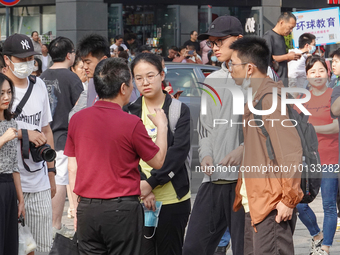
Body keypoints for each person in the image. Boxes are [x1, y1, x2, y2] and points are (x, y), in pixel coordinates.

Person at [65, 57, 168, 255]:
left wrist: (75, 207)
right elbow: (158, 161)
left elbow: (72, 168)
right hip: (122, 210)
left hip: (87, 208)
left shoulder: (78, 119)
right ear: (123, 88)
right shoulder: (131, 123)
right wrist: (162, 127)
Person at [229, 36, 303, 255]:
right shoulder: (256, 98)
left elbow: (290, 151)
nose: (230, 69)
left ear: (249, 68)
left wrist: (288, 200)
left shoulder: (269, 99)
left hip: (271, 205)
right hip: (256, 202)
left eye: (232, 64)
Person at [182, 15, 245, 255]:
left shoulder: (257, 78)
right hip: (214, 179)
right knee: (193, 248)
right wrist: (206, 154)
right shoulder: (213, 80)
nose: (215, 47)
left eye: (221, 41)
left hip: (244, 182)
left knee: (243, 249)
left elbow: (267, 130)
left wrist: (244, 149)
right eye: (212, 42)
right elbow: (205, 127)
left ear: (239, 40)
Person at [126, 53, 191, 255]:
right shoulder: (130, 112)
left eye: (150, 75)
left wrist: (150, 183)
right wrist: (143, 186)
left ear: (162, 75)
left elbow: (177, 154)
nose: (145, 82)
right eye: (138, 78)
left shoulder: (178, 110)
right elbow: (128, 155)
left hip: (173, 199)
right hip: (138, 198)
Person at [3, 33, 56, 254]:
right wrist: (25, 133)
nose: (27, 64)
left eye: (30, 58)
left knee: (42, 248)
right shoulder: (2, 89)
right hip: (6, 185)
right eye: (21, 59)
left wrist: (52, 174)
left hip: (38, 181)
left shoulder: (40, 85)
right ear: (7, 60)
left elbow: (46, 130)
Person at [40, 36, 83, 239]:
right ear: (69, 55)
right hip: (64, 139)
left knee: (49, 182)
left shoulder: (41, 77)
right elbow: (81, 111)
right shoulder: (72, 78)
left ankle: (49, 225)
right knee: (61, 183)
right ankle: (56, 225)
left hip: (43, 139)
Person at [295, 55, 339, 255]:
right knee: (299, 203)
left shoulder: (334, 94)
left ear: (328, 73)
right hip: (307, 160)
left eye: (321, 70)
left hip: (330, 156)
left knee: (329, 204)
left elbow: (335, 126)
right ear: (307, 75)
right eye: (312, 71)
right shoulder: (300, 98)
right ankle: (316, 235)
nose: (317, 75)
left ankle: (326, 248)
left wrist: (310, 128)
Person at [0, 73, 25, 255]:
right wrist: (3, 138)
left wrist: (20, 199)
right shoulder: (8, 130)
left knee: (10, 244)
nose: (6, 97)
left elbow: (14, 165)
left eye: (9, 92)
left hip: (9, 187)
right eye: (1, 93)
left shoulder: (11, 122)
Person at [263, 12, 301, 85]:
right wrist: (287, 56)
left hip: (282, 81)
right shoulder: (268, 37)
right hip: (273, 82)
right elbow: (266, 59)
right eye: (290, 27)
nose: (291, 31)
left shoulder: (281, 37)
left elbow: (278, 59)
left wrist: (289, 58)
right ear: (281, 22)